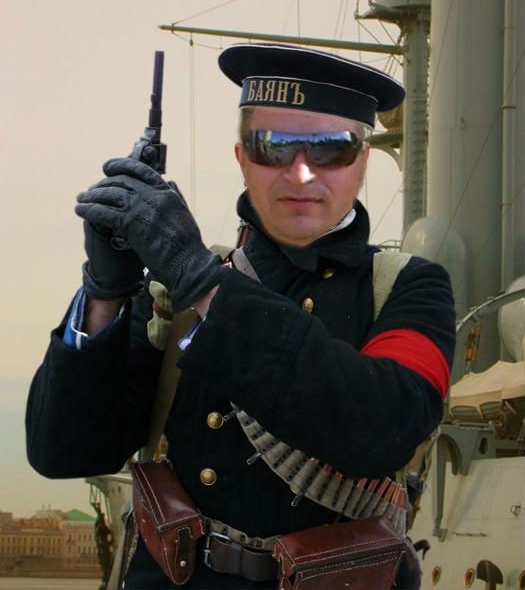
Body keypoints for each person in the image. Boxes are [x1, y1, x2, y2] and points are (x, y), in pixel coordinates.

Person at [26, 43, 455, 589]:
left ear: (363, 163)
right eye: (273, 146)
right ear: (242, 157)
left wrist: (203, 282)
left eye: (332, 149)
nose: (301, 174)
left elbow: (382, 431)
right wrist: (104, 293)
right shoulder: (170, 294)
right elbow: (64, 452)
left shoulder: (408, 287)